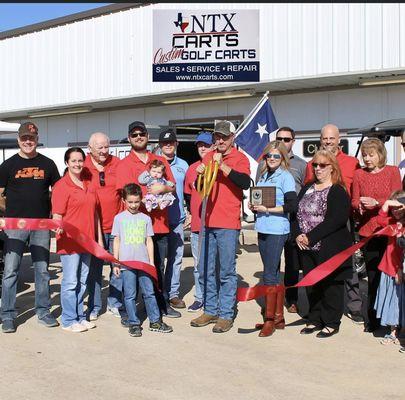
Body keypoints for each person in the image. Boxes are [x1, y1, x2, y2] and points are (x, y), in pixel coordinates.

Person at [190, 120, 251, 333]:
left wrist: (222, 165)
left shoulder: (239, 158)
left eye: (224, 137)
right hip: (207, 222)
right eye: (217, 137)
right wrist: (199, 174)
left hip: (227, 223)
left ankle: (225, 314)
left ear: (232, 138)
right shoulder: (208, 157)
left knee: (226, 271)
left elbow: (245, 183)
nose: (220, 140)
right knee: (207, 269)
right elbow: (200, 188)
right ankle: (210, 309)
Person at [115, 121, 180, 318]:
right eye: (134, 135)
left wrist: (164, 188)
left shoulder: (159, 160)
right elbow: (123, 194)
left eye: (141, 134)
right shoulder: (124, 165)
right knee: (132, 269)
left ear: (147, 136)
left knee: (157, 267)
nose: (138, 137)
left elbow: (173, 187)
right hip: (134, 226)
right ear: (129, 139)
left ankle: (161, 304)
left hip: (158, 224)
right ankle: (131, 308)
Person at [0, 122, 60, 333]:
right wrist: (4, 216)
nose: (28, 141)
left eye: (31, 138)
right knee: (10, 271)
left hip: (41, 227)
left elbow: (58, 192)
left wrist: (57, 218)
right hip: (14, 228)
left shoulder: (49, 164)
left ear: (37, 140)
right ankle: (7, 314)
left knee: (42, 270)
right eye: (24, 138)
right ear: (18, 140)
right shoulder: (7, 165)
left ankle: (43, 311)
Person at [304, 124, 363, 324]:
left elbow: (358, 189)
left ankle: (354, 305)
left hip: (343, 220)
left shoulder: (352, 162)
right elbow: (307, 191)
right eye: (324, 138)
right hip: (317, 225)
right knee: (320, 267)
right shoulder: (312, 163)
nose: (328, 142)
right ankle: (319, 311)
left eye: (331, 138)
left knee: (345, 266)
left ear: (339, 140)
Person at [294, 150, 352, 338]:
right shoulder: (307, 188)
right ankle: (315, 318)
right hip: (306, 247)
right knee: (312, 285)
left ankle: (331, 321)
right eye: (315, 165)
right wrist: (298, 235)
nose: (318, 168)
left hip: (329, 247)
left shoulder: (337, 190)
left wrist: (311, 236)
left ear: (332, 167)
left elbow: (336, 220)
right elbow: (297, 214)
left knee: (330, 285)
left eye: (322, 165)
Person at [352, 138, 402, 332]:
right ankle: (372, 319)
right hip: (369, 232)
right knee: (373, 277)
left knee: (392, 276)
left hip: (390, 231)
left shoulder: (392, 171)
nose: (367, 159)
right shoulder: (359, 174)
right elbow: (354, 201)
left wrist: (378, 202)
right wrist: (361, 205)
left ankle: (393, 319)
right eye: (364, 155)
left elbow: (396, 198)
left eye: (371, 154)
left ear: (380, 154)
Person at [248, 140, 297, 337]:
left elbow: (292, 205)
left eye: (277, 155)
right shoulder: (263, 175)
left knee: (268, 274)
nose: (272, 159)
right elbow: (259, 200)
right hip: (262, 227)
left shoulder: (285, 177)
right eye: (269, 155)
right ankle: (278, 317)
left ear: (283, 157)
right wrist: (255, 206)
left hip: (278, 229)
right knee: (274, 273)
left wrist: (268, 209)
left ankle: (269, 319)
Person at [52, 147, 102, 333]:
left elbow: (95, 213)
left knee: (82, 281)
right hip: (69, 242)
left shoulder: (89, 183)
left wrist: (98, 240)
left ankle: (80, 317)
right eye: (73, 161)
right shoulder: (61, 186)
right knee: (71, 282)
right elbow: (57, 215)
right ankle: (68, 319)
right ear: (67, 163)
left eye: (80, 160)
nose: (77, 164)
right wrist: (57, 227)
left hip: (87, 241)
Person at [111, 183, 172, 336]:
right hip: (126, 265)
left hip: (144, 264)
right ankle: (133, 323)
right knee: (130, 295)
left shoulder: (145, 218)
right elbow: (116, 240)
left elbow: (149, 241)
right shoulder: (119, 219)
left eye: (137, 202)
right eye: (130, 202)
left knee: (149, 293)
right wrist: (116, 262)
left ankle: (155, 321)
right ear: (124, 201)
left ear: (141, 200)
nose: (133, 205)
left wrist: (151, 262)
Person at [84, 132, 122, 320]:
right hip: (93, 228)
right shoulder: (81, 167)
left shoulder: (117, 164)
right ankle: (94, 306)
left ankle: (115, 303)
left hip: (116, 227)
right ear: (90, 148)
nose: (104, 151)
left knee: (117, 268)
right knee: (95, 270)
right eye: (100, 147)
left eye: (107, 146)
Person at [275, 127, 307, 313]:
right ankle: (273, 298)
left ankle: (292, 298)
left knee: (292, 264)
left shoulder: (302, 165)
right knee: (272, 264)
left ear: (293, 141)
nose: (283, 142)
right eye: (279, 138)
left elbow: (306, 192)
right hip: (272, 218)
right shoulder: (267, 162)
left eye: (286, 139)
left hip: (294, 219)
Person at [184, 131, 215, 312]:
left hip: (216, 224)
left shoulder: (219, 166)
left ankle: (214, 297)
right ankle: (200, 297)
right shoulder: (192, 168)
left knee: (214, 265)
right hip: (197, 225)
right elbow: (189, 196)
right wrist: (189, 213)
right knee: (199, 265)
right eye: (199, 145)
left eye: (206, 145)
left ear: (213, 146)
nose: (202, 148)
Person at [158, 129, 189, 309]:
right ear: (160, 145)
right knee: (159, 259)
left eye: (171, 142)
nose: (168, 145)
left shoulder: (183, 165)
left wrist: (190, 212)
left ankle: (173, 293)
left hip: (177, 218)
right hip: (158, 219)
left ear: (176, 144)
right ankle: (159, 291)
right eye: (164, 143)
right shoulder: (154, 163)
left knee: (176, 258)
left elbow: (187, 192)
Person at [373, 192, 405, 345]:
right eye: (393, 208)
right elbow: (379, 220)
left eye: (399, 207)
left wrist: (399, 269)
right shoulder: (391, 222)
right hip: (388, 267)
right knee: (391, 300)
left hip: (400, 269)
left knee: (400, 302)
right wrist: (386, 204)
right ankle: (392, 331)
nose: (396, 211)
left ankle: (402, 333)